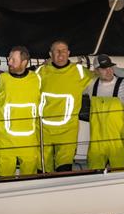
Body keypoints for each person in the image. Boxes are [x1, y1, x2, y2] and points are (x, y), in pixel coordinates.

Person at [35, 40, 93, 172]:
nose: (61, 53)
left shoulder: (79, 72)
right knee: (42, 170)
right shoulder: (41, 72)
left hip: (68, 131)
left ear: (69, 53)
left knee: (64, 169)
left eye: (64, 50)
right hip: (44, 131)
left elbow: (102, 79)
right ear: (50, 54)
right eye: (57, 50)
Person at [0, 46, 42, 177]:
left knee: (29, 182)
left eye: (13, 59)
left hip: (29, 142)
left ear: (24, 62)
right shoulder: (0, 80)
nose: (9, 62)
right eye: (9, 59)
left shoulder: (37, 80)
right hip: (5, 143)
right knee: (2, 182)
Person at [84, 54, 124, 170]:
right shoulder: (90, 85)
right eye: (104, 68)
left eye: (110, 67)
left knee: (121, 175)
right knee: (93, 177)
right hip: (96, 144)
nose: (109, 71)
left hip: (119, 143)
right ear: (96, 71)